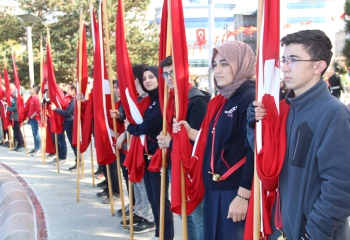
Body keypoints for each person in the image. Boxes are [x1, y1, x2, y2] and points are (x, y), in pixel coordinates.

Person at [250, 30, 350, 239]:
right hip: (282, 228)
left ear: (318, 66)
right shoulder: (284, 109)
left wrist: (311, 234)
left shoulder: (334, 114)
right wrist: (255, 126)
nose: (284, 67)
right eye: (284, 59)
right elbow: (267, 162)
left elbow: (340, 189)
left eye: (293, 60)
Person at [173, 41, 255, 240]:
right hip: (214, 188)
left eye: (225, 64)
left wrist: (243, 196)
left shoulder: (248, 97)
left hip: (234, 191)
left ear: (241, 63)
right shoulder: (223, 98)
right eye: (215, 64)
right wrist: (190, 132)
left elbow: (253, 150)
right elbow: (216, 140)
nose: (218, 70)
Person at [157, 56, 211, 240]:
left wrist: (169, 142)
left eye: (172, 72)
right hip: (177, 164)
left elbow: (197, 142)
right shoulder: (172, 99)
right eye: (165, 74)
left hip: (193, 169)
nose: (169, 77)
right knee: (185, 214)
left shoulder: (196, 100)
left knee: (197, 216)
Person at [125, 66, 173, 239]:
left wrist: (130, 128)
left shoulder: (162, 100)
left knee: (161, 200)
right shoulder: (147, 100)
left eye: (151, 77)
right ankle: (159, 233)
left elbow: (147, 126)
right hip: (147, 156)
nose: (147, 81)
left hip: (159, 158)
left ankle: (166, 235)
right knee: (154, 200)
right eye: (144, 79)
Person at [50, 83, 76, 167]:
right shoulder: (70, 99)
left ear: (73, 90)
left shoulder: (74, 101)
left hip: (71, 123)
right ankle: (77, 161)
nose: (67, 91)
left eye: (69, 89)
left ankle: (78, 162)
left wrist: (55, 109)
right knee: (72, 143)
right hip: (67, 123)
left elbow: (67, 113)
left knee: (74, 144)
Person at [7, 83, 25, 152]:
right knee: (15, 131)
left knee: (17, 131)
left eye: (12, 90)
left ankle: (21, 144)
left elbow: (15, 108)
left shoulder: (17, 98)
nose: (11, 91)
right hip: (13, 117)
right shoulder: (14, 98)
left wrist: (8, 108)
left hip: (16, 117)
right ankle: (18, 144)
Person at [25, 85, 41, 156]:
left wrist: (32, 115)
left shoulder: (36, 98)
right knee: (34, 134)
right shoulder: (31, 98)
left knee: (36, 134)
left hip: (35, 119)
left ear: (35, 90)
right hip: (31, 119)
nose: (30, 90)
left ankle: (38, 148)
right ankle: (35, 148)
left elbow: (38, 110)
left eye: (31, 89)